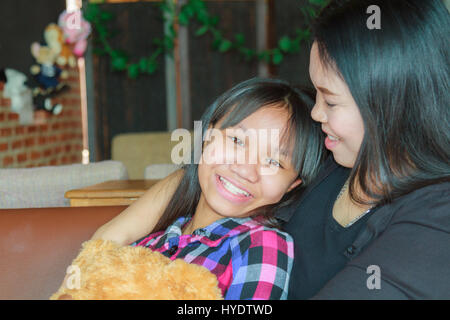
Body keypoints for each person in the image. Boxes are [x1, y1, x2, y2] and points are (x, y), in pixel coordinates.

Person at [92, 0, 450, 299]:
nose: (316, 112)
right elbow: (213, 168)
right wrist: (102, 248)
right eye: (316, 92)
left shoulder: (435, 220)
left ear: (390, 104)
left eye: (331, 100)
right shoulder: (332, 153)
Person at [127, 78, 325, 299]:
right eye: (237, 141)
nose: (245, 170)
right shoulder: (155, 238)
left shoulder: (262, 246)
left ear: (292, 185)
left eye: (274, 162)